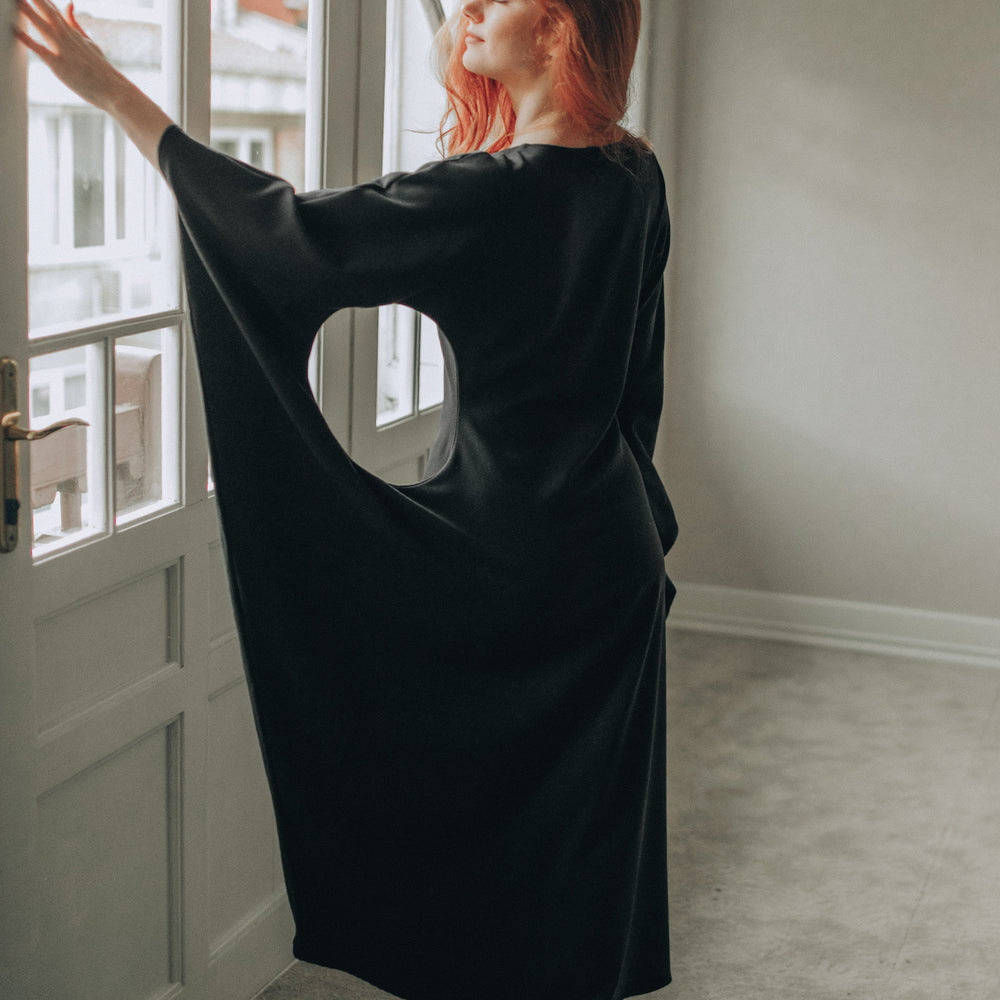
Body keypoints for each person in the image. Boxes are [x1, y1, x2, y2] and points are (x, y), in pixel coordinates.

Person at [14, 1, 677, 998]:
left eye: (495, 0)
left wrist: (111, 91)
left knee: (473, 842)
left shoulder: (491, 195)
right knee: (577, 864)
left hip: (511, 563)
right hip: (608, 553)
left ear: (557, 30)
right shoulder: (633, 174)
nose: (471, 12)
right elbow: (640, 386)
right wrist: (644, 531)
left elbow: (282, 235)